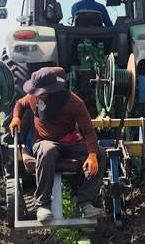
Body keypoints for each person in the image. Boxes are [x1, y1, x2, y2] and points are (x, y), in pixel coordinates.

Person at [9, 67, 105, 222]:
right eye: (36, 91)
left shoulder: (73, 102)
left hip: (69, 143)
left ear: (53, 90)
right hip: (44, 142)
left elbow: (88, 131)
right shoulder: (33, 97)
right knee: (48, 150)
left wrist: (92, 155)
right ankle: (43, 204)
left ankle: (85, 202)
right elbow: (20, 103)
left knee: (100, 153)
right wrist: (16, 118)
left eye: (42, 92)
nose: (38, 94)